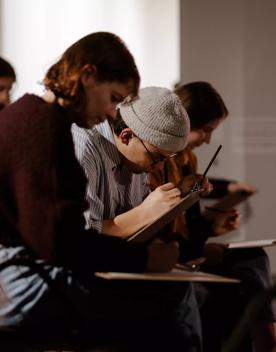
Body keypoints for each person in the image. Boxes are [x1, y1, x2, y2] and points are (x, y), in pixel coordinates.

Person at [0, 32, 195, 351]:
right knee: (170, 298)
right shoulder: (42, 128)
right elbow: (59, 243)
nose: (111, 113)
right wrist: (143, 259)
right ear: (88, 75)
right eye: (114, 98)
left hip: (22, 275)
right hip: (18, 283)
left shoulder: (36, 117)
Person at [72, 86, 203, 351]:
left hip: (114, 269)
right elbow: (79, 240)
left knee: (199, 293)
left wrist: (179, 196)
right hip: (77, 277)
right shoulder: (85, 148)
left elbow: (131, 229)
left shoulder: (135, 157)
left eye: (166, 160)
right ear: (126, 135)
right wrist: (146, 212)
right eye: (156, 158)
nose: (157, 168)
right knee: (179, 298)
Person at [149, 81, 276, 352]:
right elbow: (163, 227)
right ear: (184, 122)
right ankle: (267, 343)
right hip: (169, 252)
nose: (207, 140)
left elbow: (190, 225)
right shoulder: (160, 160)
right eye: (205, 130)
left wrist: (212, 224)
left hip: (184, 249)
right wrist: (203, 239)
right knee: (246, 270)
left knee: (253, 260)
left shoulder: (188, 161)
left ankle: (265, 340)